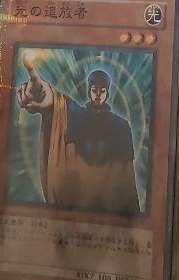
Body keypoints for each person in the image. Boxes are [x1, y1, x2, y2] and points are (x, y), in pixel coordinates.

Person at [16, 60, 141, 215]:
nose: (98, 94)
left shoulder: (120, 127)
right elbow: (59, 106)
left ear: (107, 93)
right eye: (94, 90)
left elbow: (127, 182)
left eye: (102, 90)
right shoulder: (76, 116)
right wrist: (48, 98)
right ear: (89, 91)